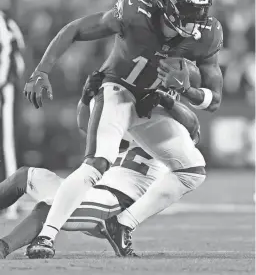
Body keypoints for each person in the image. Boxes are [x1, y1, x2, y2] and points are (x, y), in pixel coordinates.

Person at [23, 0, 223, 258]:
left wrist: (187, 90)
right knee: (97, 164)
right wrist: (42, 70)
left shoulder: (207, 34)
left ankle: (122, 225)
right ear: (169, 4)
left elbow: (214, 101)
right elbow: (76, 28)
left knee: (192, 170)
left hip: (151, 103)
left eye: (201, 11)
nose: (199, 20)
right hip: (117, 91)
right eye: (192, 11)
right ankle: (45, 236)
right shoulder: (134, 12)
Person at [0, 74, 204, 259]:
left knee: (50, 206)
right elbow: (86, 127)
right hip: (90, 189)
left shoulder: (174, 127)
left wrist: (167, 101)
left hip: (113, 205)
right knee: (23, 176)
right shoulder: (129, 114)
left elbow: (192, 126)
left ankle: (4, 246)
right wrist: (86, 98)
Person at [0, 10, 25, 219]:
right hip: (7, 84)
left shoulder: (2, 20)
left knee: (7, 143)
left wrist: (2, 83)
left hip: (4, 88)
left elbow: (8, 52)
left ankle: (11, 203)